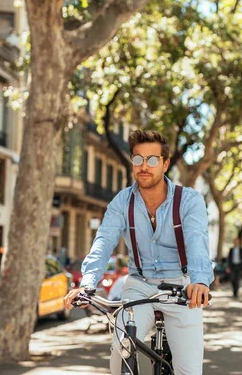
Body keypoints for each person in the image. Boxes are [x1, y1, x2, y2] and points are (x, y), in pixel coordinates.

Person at [64, 130, 213, 375]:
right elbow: (103, 241)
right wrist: (87, 284)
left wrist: (199, 281)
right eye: (138, 159)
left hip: (181, 287)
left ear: (165, 164)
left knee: (189, 371)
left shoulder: (189, 201)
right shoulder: (122, 202)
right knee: (122, 344)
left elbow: (197, 241)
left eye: (152, 160)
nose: (144, 166)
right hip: (139, 286)